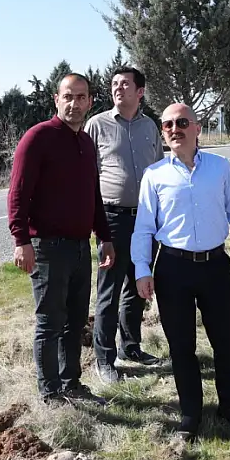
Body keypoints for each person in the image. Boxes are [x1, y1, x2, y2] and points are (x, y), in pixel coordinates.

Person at [131, 103, 230, 442]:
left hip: (215, 266)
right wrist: (143, 269)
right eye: (168, 124)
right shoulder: (154, 175)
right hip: (172, 269)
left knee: (224, 341)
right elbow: (143, 228)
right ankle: (191, 415)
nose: (175, 129)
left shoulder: (220, 167)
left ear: (197, 128)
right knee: (181, 346)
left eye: (182, 122)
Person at [8, 73, 115, 406]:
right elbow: (17, 193)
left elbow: (93, 195)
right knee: (49, 322)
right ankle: (50, 392)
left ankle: (72, 383)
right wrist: (20, 240)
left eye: (81, 97)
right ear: (56, 100)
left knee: (75, 322)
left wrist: (105, 237)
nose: (74, 103)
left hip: (81, 247)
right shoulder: (38, 138)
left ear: (90, 102)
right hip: (48, 249)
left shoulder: (85, 142)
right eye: (68, 96)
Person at [84, 66, 166, 384]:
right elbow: (87, 176)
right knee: (108, 292)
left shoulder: (150, 127)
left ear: (140, 91)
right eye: (114, 84)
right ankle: (104, 361)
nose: (118, 88)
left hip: (146, 220)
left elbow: (159, 171)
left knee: (138, 287)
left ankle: (130, 347)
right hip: (112, 220)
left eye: (125, 84)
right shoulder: (97, 125)